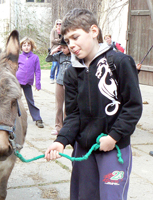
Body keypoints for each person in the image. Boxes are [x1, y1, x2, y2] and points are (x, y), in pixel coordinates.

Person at [45, 8, 142, 200]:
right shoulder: (72, 73)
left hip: (114, 148)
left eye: (75, 37)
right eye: (67, 40)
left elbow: (133, 106)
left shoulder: (120, 63)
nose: (71, 45)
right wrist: (61, 140)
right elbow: (73, 115)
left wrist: (114, 136)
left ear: (94, 31)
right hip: (84, 149)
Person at [16, 36, 44, 128]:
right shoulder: (18, 57)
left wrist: (38, 83)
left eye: (28, 45)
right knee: (14, 99)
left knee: (30, 100)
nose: (26, 47)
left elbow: (38, 71)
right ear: (21, 47)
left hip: (28, 83)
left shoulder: (35, 58)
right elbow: (13, 68)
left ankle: (37, 118)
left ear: (31, 46)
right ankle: (13, 117)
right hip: (17, 81)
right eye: (24, 45)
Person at [49, 37, 71, 135]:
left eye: (64, 47)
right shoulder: (60, 55)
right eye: (61, 47)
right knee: (59, 106)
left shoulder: (74, 56)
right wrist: (53, 51)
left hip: (70, 83)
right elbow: (48, 59)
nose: (63, 49)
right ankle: (58, 126)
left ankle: (66, 127)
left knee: (68, 106)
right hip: (59, 82)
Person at [49, 19, 62, 84]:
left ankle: (57, 78)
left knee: (60, 65)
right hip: (54, 50)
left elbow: (63, 40)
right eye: (57, 23)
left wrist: (58, 40)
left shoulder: (62, 31)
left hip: (61, 50)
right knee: (54, 64)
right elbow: (52, 40)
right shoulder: (53, 31)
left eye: (60, 24)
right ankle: (51, 77)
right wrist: (59, 41)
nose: (59, 25)